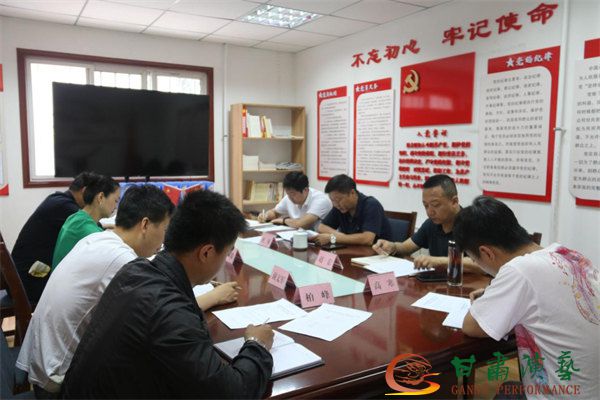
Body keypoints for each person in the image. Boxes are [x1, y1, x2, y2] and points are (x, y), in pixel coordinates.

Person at [61, 190, 274, 399]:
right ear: (207, 252)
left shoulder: (135, 270)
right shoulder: (171, 312)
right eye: (228, 251)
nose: (227, 258)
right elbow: (232, 393)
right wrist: (257, 345)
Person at [455, 196, 598, 399]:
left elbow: (471, 326)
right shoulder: (564, 253)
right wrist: (495, 292)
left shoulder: (519, 271)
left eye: (474, 259)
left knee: (506, 393)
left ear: (486, 253)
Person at [10, 171, 97, 303]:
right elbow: (94, 230)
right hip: (29, 282)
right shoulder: (65, 207)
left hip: (21, 277)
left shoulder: (57, 199)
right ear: (85, 191)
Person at [372, 174, 479, 272]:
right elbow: (406, 247)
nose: (429, 212)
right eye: (426, 206)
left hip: (468, 284)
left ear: (454, 201)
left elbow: (480, 264)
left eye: (435, 205)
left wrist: (438, 261)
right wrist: (392, 246)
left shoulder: (473, 223)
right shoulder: (431, 223)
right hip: (437, 282)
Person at [51, 174, 120, 269]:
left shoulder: (75, 217)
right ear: (100, 197)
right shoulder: (90, 233)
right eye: (116, 201)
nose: (116, 207)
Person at [314, 174, 392, 246]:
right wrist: (340, 236)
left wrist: (333, 238)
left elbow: (367, 239)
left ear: (352, 193)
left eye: (338, 200)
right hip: (351, 250)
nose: (335, 204)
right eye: (332, 200)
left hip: (377, 253)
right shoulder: (339, 207)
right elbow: (322, 227)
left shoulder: (371, 205)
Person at [257, 171, 332, 230]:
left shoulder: (320, 200)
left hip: (320, 240)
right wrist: (266, 216)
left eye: (293, 194)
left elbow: (301, 224)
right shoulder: (289, 197)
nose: (290, 198)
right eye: (288, 194)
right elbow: (275, 212)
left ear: (305, 190)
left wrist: (284, 220)